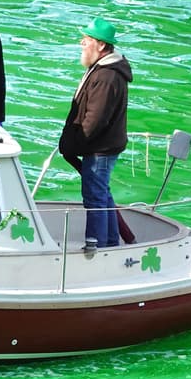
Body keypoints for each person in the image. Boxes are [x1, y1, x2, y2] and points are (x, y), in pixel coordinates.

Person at [58, 17, 133, 252]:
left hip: (100, 149)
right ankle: (110, 243)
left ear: (101, 45)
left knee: (95, 198)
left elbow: (95, 119)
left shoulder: (106, 76)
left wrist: (74, 145)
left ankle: (97, 246)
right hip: (103, 147)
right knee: (101, 194)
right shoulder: (105, 71)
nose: (81, 43)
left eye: (87, 39)